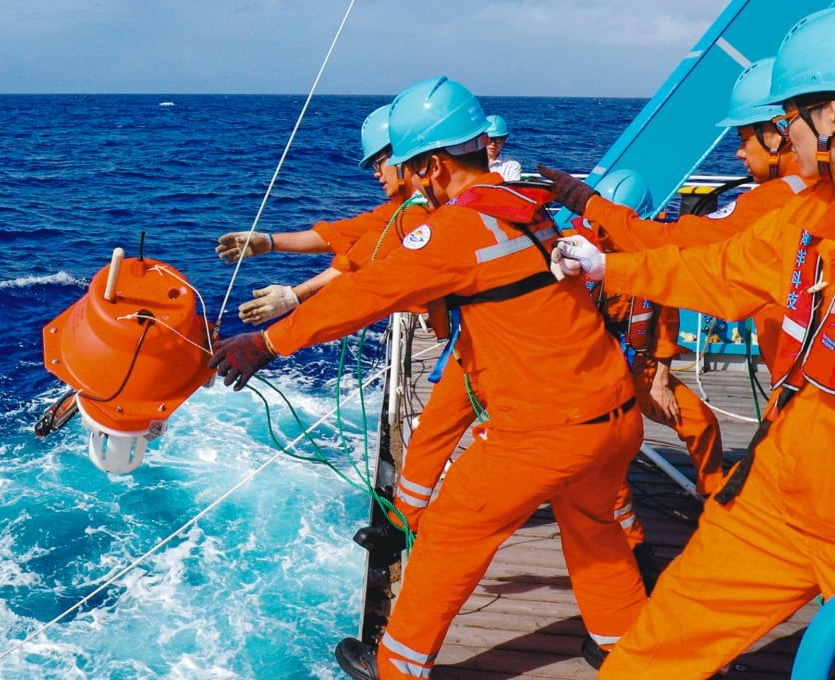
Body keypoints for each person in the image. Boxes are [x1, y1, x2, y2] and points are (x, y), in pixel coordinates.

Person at [209, 75, 647, 680]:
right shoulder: (529, 208)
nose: (410, 185)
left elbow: (369, 291)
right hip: (615, 412)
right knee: (595, 529)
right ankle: (623, 647)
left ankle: (397, 669)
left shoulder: (457, 230)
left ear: (436, 167)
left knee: (448, 538)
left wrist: (266, 341)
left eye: (413, 172)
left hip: (543, 429)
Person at [543, 9, 835, 676]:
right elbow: (712, 268)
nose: (787, 130)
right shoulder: (808, 213)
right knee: (653, 653)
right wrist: (606, 268)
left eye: (794, 111)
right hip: (780, 491)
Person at [575, 56, 805, 370]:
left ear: (778, 133)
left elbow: (674, 243)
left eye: (743, 139)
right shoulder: (813, 193)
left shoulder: (779, 198)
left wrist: (591, 205)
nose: (739, 153)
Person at [571, 169, 725, 612]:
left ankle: (715, 500)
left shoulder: (654, 253)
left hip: (638, 370)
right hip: (586, 378)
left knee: (701, 421)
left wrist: (660, 373)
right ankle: (637, 555)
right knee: (608, 467)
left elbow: (665, 315)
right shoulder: (572, 251)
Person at [235, 104, 430, 325]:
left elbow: (359, 261)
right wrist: (269, 242)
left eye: (378, 162)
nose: (376, 174)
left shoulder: (419, 210)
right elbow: (341, 233)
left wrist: (295, 295)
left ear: (401, 155)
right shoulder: (405, 205)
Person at [484, 113, 522, 181]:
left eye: (498, 139)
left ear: (504, 140)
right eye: (489, 139)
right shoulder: (470, 163)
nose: (493, 144)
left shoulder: (512, 166)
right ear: (482, 139)